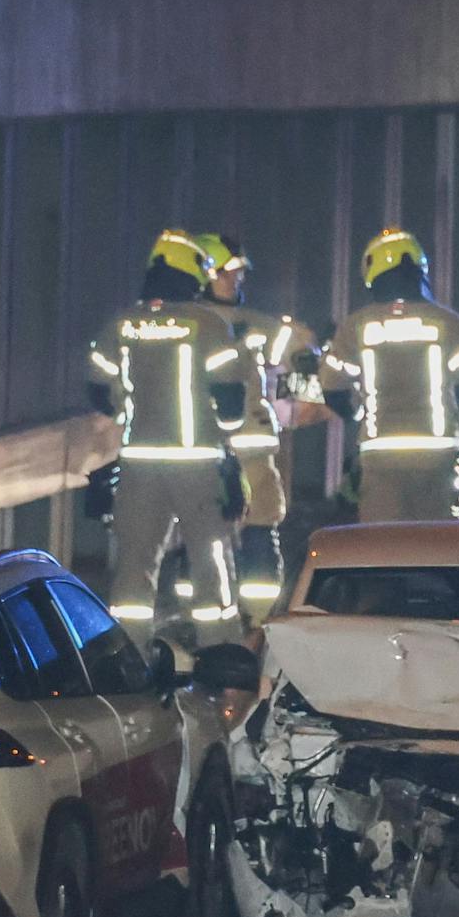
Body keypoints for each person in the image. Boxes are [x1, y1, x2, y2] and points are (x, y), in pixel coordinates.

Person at [88, 229, 249, 642]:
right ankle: (219, 650)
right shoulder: (208, 324)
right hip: (198, 464)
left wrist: (129, 414)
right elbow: (230, 399)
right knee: (210, 559)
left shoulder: (122, 325)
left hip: (139, 464)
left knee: (135, 564)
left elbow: (98, 390)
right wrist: (226, 440)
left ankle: (129, 651)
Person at [319, 228, 459, 523]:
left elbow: (333, 390)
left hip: (379, 457)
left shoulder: (354, 327)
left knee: (383, 542)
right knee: (433, 542)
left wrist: (360, 416)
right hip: (438, 457)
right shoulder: (451, 325)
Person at [191, 232, 320, 618]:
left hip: (234, 449)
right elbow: (302, 356)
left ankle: (253, 621)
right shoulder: (240, 325)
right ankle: (224, 618)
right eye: (227, 272)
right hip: (212, 449)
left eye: (239, 273)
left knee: (253, 528)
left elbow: (302, 356)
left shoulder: (244, 324)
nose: (236, 280)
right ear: (204, 274)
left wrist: (300, 394)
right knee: (214, 534)